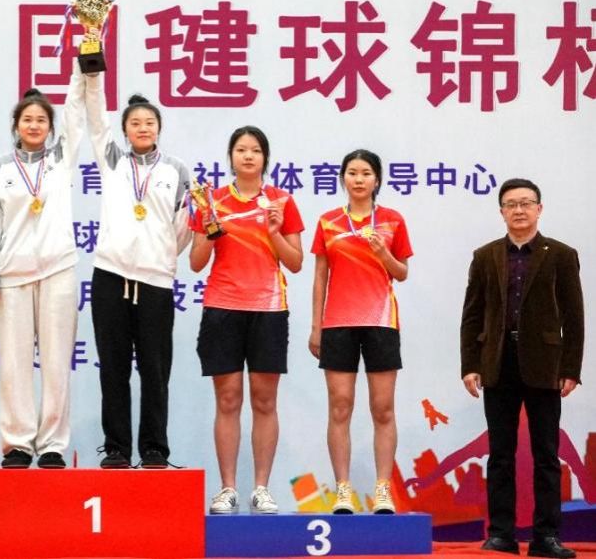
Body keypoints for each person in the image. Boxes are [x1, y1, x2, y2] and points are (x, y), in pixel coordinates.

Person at [460, 178, 583, 558]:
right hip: (497, 362)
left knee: (546, 454)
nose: (519, 210)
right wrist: (470, 365)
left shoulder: (561, 254)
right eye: (511, 204)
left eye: (526, 203)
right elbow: (472, 314)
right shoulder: (485, 256)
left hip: (544, 365)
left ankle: (547, 537)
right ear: (501, 211)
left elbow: (574, 316)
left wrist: (571, 368)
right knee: (500, 454)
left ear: (539, 209)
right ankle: (501, 534)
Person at [190, 126, 304, 514]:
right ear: (231, 156)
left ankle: (261, 488)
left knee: (264, 400)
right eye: (241, 149)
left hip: (268, 309)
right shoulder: (214, 201)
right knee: (227, 399)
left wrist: (274, 231)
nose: (248, 156)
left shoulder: (281, 201)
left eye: (255, 150)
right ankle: (227, 488)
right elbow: (196, 263)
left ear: (265, 158)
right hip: (222, 307)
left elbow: (295, 262)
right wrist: (209, 225)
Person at [85, 81, 192, 470]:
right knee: (113, 368)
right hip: (110, 277)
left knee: (155, 369)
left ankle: (154, 449)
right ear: (125, 130)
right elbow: (96, 120)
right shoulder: (112, 160)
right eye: (135, 123)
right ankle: (116, 447)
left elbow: (182, 228)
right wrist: (92, 76)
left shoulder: (176, 170)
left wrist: (158, 257)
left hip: (156, 283)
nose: (143, 128)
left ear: (159, 128)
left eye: (149, 122)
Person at [0, 68, 85, 469]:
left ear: (50, 127)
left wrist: (81, 68)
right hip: (13, 274)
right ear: (16, 125)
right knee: (14, 364)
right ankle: (18, 443)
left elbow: (75, 112)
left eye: (42, 120)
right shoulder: (0, 168)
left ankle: (53, 444)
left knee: (57, 363)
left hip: (59, 269)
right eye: (27, 119)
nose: (34, 125)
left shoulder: (61, 158)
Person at [308, 149, 412, 515]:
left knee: (382, 409)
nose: (358, 179)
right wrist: (316, 326)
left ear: (376, 180)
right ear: (343, 178)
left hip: (381, 322)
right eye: (352, 172)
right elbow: (320, 276)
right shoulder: (328, 222)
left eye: (366, 173)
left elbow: (402, 272)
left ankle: (383, 489)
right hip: (338, 323)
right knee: (340, 406)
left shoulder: (392, 221)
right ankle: (343, 490)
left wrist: (383, 253)